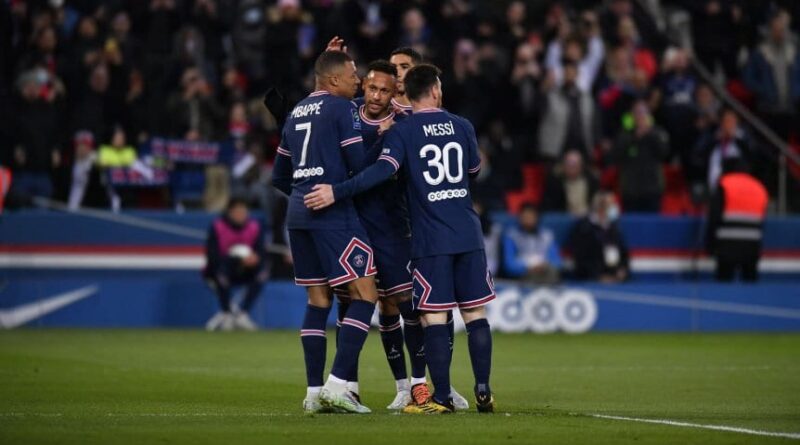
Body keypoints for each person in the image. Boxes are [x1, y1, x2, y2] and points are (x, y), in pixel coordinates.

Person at [304, 64, 496, 414]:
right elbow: (473, 171)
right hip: (468, 232)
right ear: (435, 90)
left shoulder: (403, 131)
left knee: (433, 316)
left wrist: (337, 191)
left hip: (431, 237)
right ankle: (483, 390)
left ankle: (440, 397)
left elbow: (381, 171)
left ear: (406, 93)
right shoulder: (463, 125)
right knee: (475, 313)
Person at [271, 50, 378, 414]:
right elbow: (359, 167)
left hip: (298, 214)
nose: (358, 81)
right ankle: (337, 385)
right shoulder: (342, 109)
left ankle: (314, 393)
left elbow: (279, 176)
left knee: (318, 301)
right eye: (352, 75)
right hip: (333, 214)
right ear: (333, 80)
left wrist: (304, 195)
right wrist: (383, 141)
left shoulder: (296, 112)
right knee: (365, 294)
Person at [203, 197, 268, 331]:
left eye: (243, 212)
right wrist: (235, 260)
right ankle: (226, 311)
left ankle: (243, 313)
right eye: (237, 212)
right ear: (230, 212)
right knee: (221, 274)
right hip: (222, 269)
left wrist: (254, 258)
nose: (241, 215)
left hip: (246, 270)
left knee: (262, 273)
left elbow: (261, 252)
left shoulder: (254, 227)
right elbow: (212, 255)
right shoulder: (218, 227)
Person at [705, 159, 768, 282]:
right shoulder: (759, 187)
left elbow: (714, 217)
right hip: (752, 245)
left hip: (727, 244)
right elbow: (762, 219)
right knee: (750, 285)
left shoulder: (724, 185)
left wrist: (709, 245)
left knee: (724, 285)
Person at [610, 101, 669, 212]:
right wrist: (635, 137)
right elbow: (616, 155)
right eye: (637, 113)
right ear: (632, 115)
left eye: (643, 113)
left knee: (652, 220)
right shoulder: (624, 134)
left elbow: (664, 153)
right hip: (630, 190)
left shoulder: (657, 133)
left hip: (652, 189)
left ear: (648, 115)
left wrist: (649, 133)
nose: (640, 116)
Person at [569, 191, 630, 283]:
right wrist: (598, 276)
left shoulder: (614, 227)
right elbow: (581, 257)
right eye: (611, 205)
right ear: (601, 207)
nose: (614, 208)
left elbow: (623, 252)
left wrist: (623, 270)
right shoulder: (584, 228)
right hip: (591, 279)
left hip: (616, 277)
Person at [502, 203, 561, 285]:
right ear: (520, 218)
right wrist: (528, 267)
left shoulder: (547, 236)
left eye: (531, 217)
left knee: (552, 272)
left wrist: (543, 265)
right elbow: (509, 264)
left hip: (546, 273)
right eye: (525, 217)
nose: (528, 220)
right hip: (524, 276)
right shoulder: (512, 236)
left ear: (537, 217)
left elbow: (557, 261)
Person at [540, 150, 598, 216]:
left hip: (586, 216)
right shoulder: (556, 182)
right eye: (568, 166)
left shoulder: (591, 181)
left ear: (581, 167)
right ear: (563, 166)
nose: (571, 170)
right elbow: (549, 204)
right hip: (565, 216)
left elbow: (595, 200)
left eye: (574, 166)